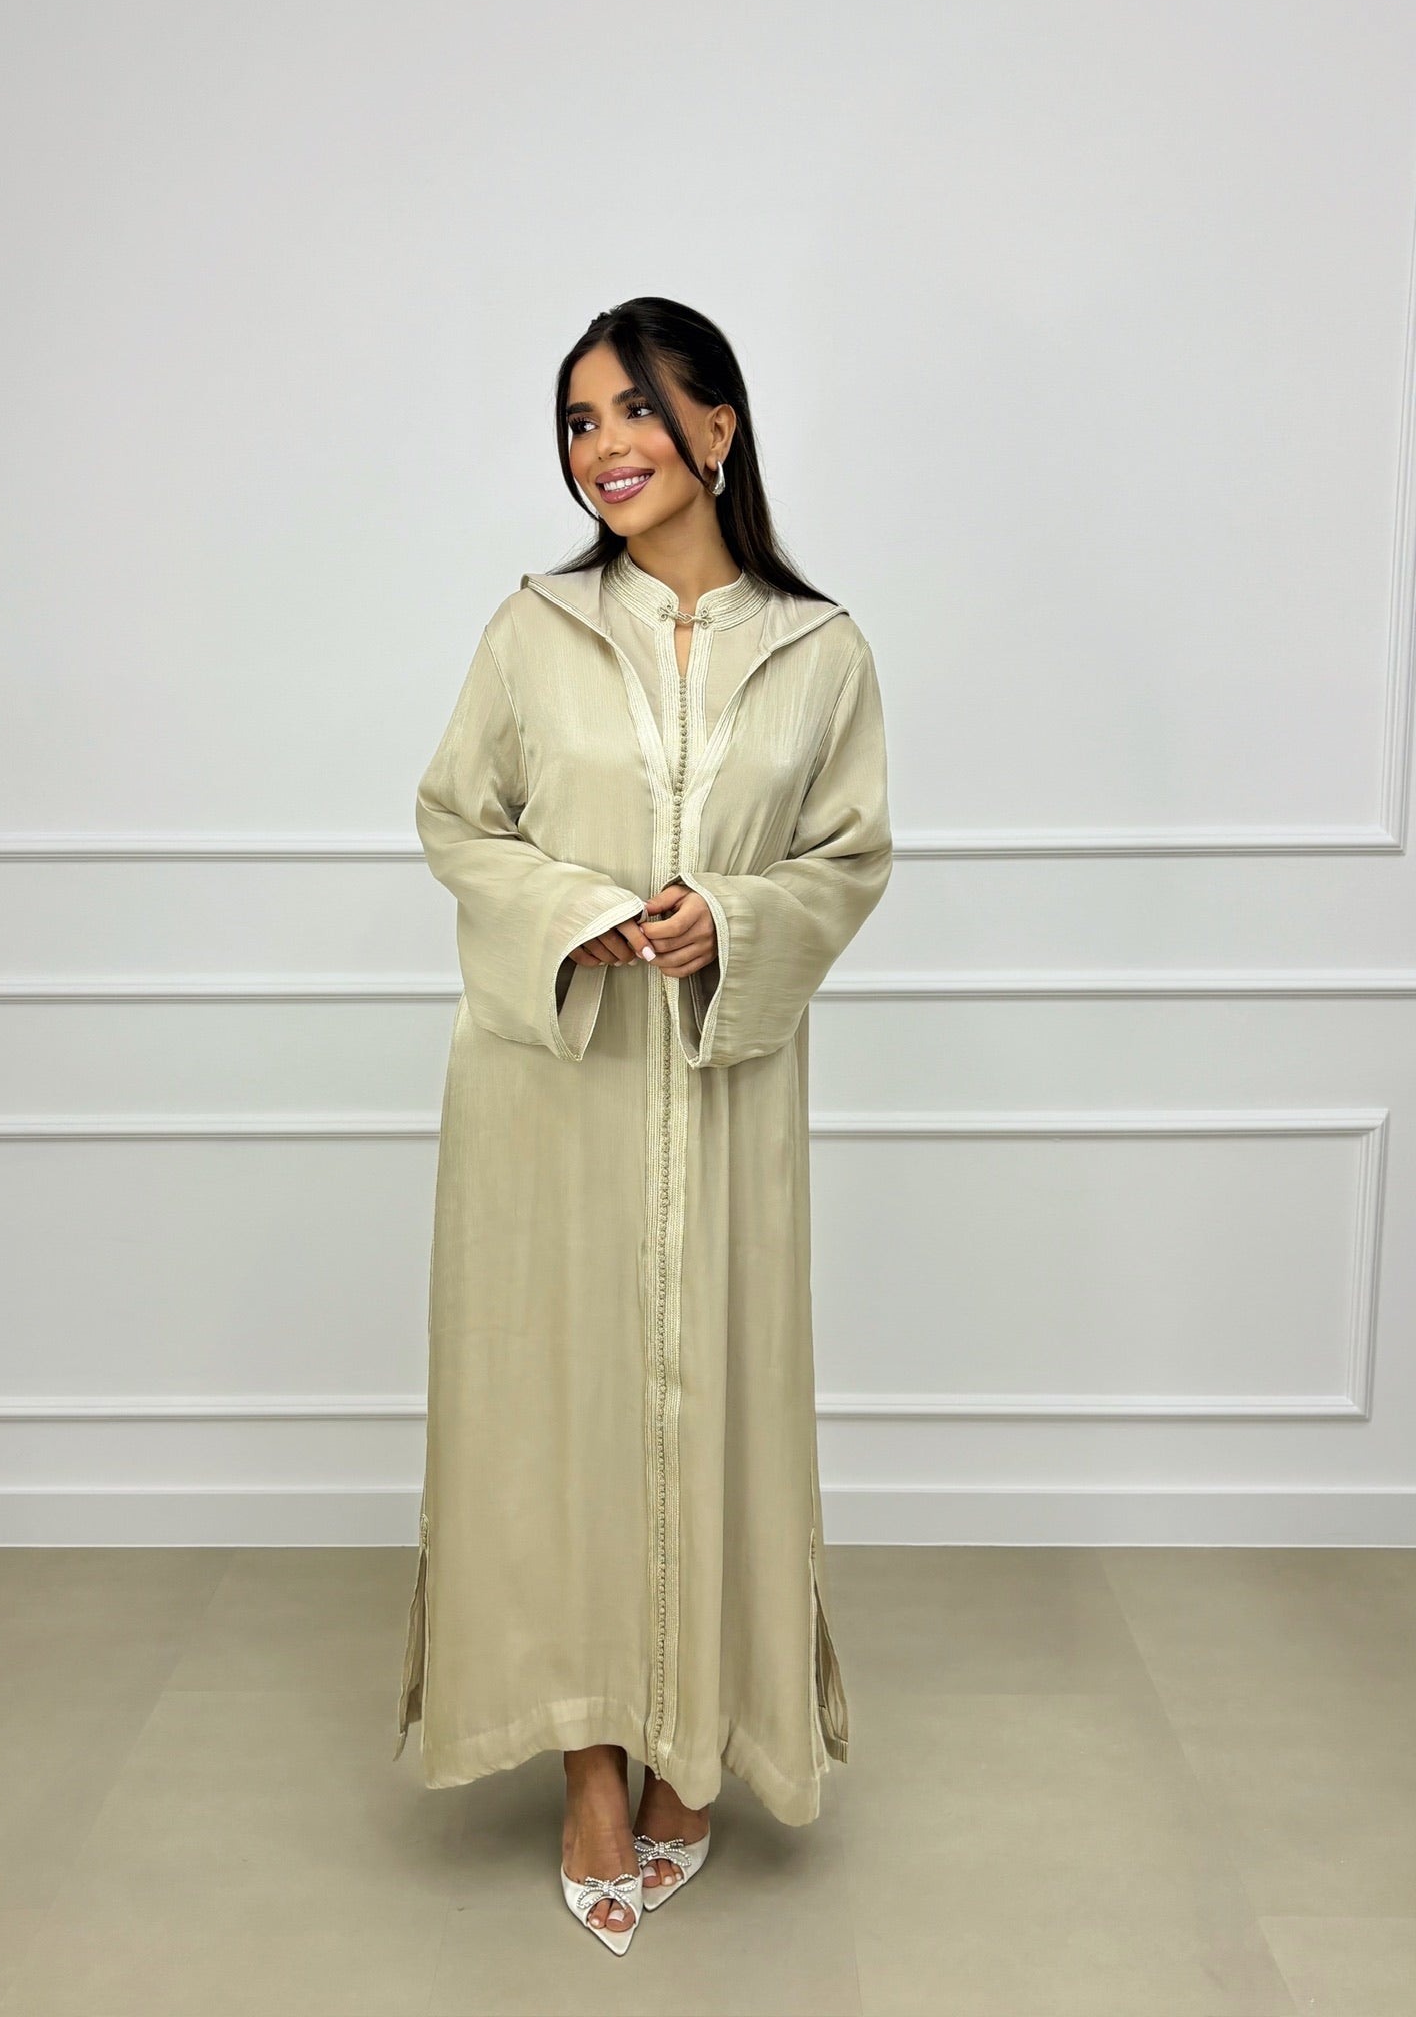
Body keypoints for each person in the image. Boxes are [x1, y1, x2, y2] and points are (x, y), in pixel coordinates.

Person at [395, 296, 892, 1953]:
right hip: (554, 1088)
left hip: (722, 1089)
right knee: (557, 1413)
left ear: (718, 427)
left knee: (713, 1400)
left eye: (632, 411)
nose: (603, 446)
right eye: (578, 420)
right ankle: (591, 1764)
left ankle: (699, 1744)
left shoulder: (819, 652)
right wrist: (578, 911)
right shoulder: (533, 629)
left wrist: (730, 919)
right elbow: (459, 819)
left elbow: (847, 859)